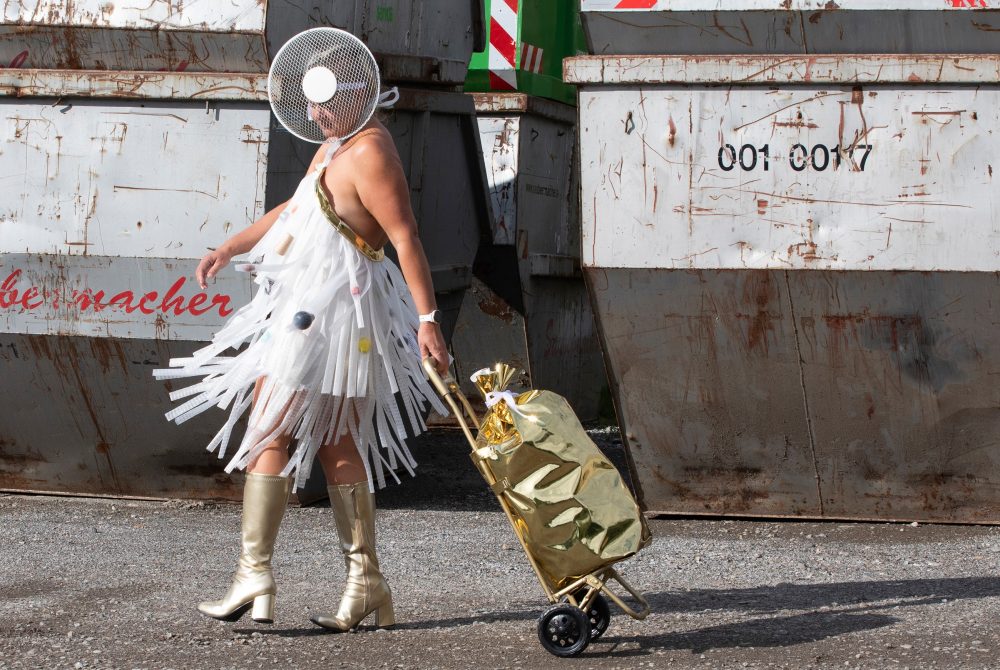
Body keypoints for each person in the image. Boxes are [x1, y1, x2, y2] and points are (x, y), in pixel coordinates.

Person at [156, 101, 451, 632]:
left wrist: (427, 320)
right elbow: (293, 211)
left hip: (327, 321)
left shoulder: (371, 151)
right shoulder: (337, 145)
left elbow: (404, 235)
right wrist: (229, 246)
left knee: (269, 432)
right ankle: (363, 583)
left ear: (354, 94)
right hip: (317, 317)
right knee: (336, 443)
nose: (314, 118)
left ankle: (257, 574)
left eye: (323, 107)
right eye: (310, 108)